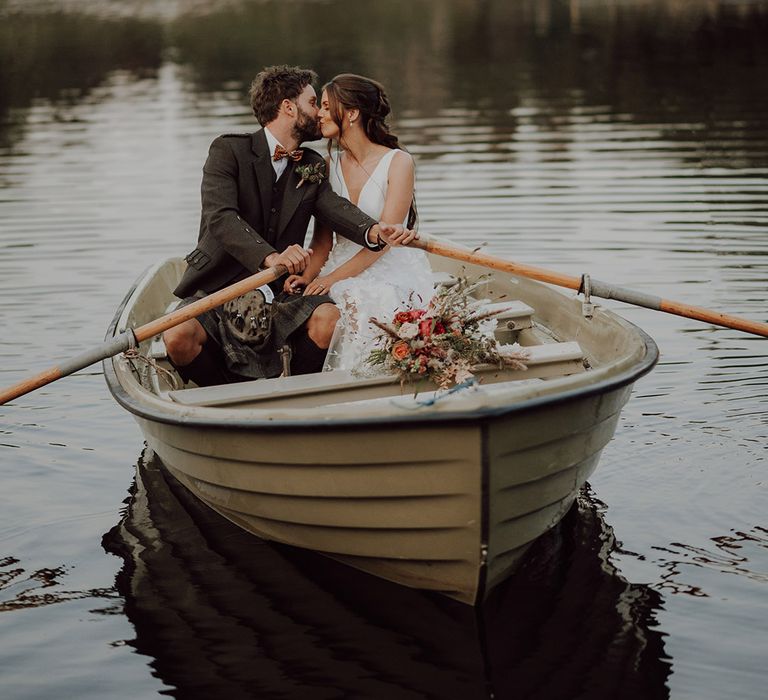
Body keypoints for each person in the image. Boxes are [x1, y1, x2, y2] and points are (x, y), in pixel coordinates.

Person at [163, 65, 415, 387]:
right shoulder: (228, 151)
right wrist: (271, 258)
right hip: (219, 285)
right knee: (177, 336)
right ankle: (223, 396)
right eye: (314, 103)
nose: (319, 113)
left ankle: (293, 392)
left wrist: (375, 232)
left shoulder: (310, 164)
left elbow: (334, 209)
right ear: (288, 107)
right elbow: (221, 218)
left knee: (328, 319)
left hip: (281, 290)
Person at [283, 73, 434, 374]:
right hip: (339, 264)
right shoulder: (327, 166)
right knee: (325, 305)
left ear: (351, 114)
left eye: (326, 107)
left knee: (361, 299)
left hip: (386, 262)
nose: (319, 114)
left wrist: (332, 280)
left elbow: (385, 241)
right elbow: (323, 242)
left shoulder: (398, 162)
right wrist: (309, 277)